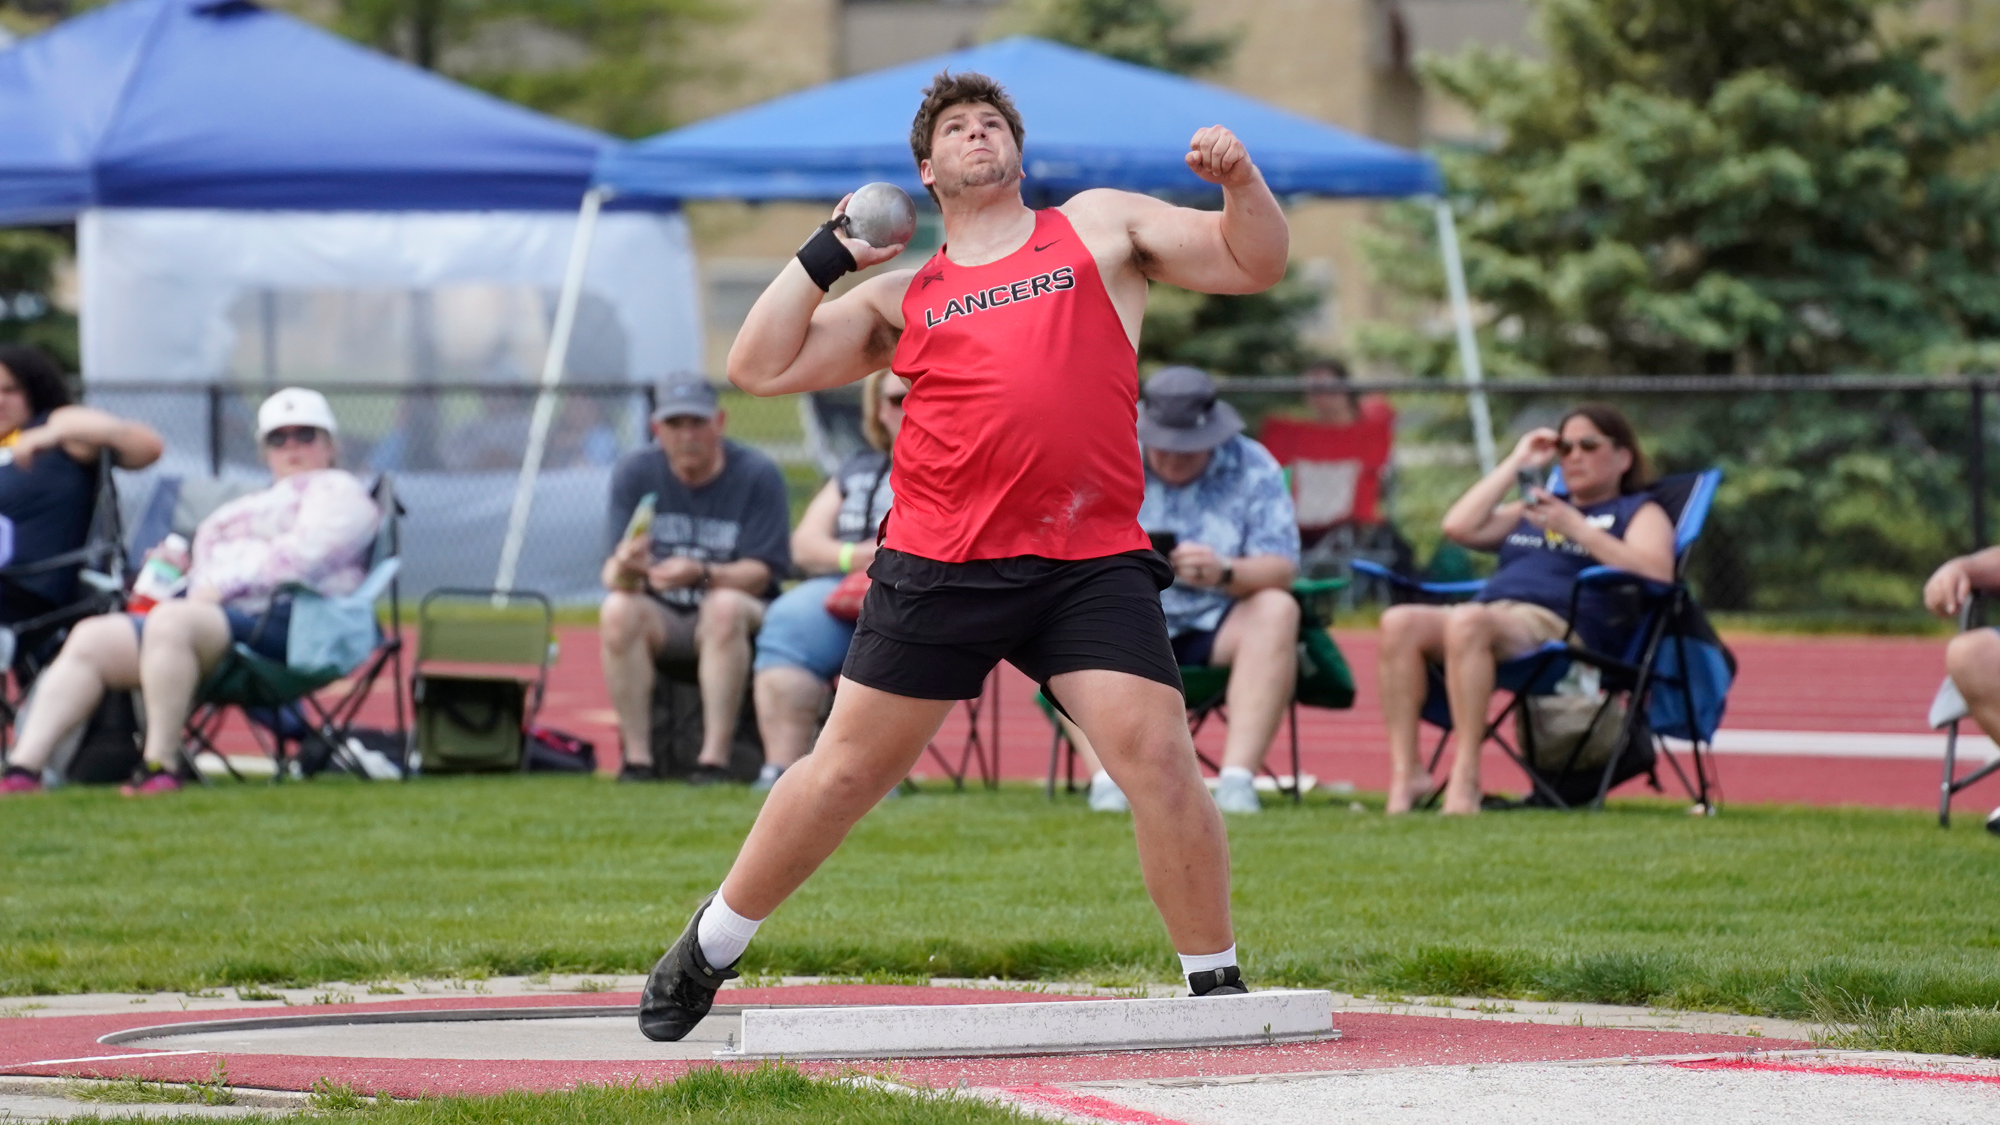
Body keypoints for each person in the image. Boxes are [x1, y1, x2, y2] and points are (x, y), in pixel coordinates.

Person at [632, 69, 1290, 1043]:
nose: (978, 133)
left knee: (1158, 758)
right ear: (925, 169)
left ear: (1016, 153)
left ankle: (1214, 984)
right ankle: (712, 943)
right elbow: (756, 367)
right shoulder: (906, 295)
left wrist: (1240, 184)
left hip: (1086, 559)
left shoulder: (1098, 227)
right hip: (939, 564)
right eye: (956, 127)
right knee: (842, 776)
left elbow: (1250, 263)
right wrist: (831, 251)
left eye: (993, 122)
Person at [1, 388, 379, 796]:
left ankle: (160, 766)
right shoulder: (244, 506)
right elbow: (204, 566)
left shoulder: (341, 493)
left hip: (295, 626)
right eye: (278, 438)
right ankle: (23, 769)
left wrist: (218, 587)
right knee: (93, 636)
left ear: (329, 444)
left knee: (171, 622)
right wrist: (180, 573)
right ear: (263, 450)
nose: (291, 447)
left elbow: (305, 557)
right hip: (211, 625)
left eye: (305, 435)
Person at [1375, 404, 1674, 815]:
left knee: (1469, 622)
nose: (1574, 456)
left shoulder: (1636, 511)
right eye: (1565, 447)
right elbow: (1459, 526)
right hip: (1492, 616)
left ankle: (1466, 779)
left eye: (1588, 445)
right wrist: (1518, 460)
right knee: (1399, 622)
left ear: (1623, 457)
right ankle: (1408, 773)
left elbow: (1658, 573)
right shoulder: (1539, 509)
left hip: (1561, 631)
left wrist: (1577, 528)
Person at [1058, 366, 1301, 815]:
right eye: (1163, 448)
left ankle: (1237, 782)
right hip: (1122, 624)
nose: (1170, 460)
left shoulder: (1254, 464)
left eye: (1186, 452)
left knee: (1277, 607)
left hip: (1218, 623)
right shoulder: (1107, 456)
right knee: (1053, 610)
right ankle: (1106, 782)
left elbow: (1281, 566)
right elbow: (1062, 543)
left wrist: (1224, 570)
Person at [600, 377, 791, 784]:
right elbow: (614, 578)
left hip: (743, 611)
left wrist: (703, 574)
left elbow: (762, 573)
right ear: (657, 430)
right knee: (617, 610)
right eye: (675, 424)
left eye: (697, 423)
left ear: (719, 422)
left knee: (722, 607)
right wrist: (627, 563)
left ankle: (713, 760)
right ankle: (638, 762)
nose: (687, 435)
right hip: (664, 614)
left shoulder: (757, 474)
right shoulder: (636, 472)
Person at [748, 370, 904, 792]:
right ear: (877, 410)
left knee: (895, 625)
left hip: (916, 592)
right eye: (896, 400)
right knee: (786, 621)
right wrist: (857, 558)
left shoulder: (961, 467)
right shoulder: (857, 470)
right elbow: (804, 544)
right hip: (843, 585)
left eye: (918, 398)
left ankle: (872, 773)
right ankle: (783, 771)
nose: (908, 409)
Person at [0, 345, 163, 674]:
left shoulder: (58, 424)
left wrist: (51, 433)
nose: (0, 400)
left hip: (31, 595)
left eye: (10, 389)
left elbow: (147, 447)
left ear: (34, 388)